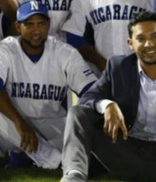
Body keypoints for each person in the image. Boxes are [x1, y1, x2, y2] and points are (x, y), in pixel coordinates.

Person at [0, 1, 97, 170]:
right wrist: (19, 122)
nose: (36, 30)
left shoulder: (64, 52)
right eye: (29, 24)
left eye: (41, 24)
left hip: (51, 124)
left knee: (83, 133)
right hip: (14, 130)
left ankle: (27, 159)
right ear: (18, 26)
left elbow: (90, 88)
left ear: (48, 24)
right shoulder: (6, 48)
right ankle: (56, 161)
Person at [61, 11, 156, 182]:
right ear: (130, 44)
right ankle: (74, 176)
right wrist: (108, 105)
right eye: (141, 39)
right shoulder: (118, 66)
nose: (149, 44)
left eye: (155, 36)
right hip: (126, 150)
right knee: (78, 113)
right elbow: (87, 98)